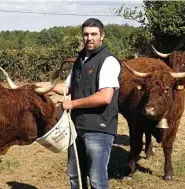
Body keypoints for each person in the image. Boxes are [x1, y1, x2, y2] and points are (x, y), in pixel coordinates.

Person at [52, 18, 121, 189]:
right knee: (76, 177)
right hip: (77, 128)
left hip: (99, 129)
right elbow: (67, 88)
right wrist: (44, 87)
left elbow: (105, 96)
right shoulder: (79, 61)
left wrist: (73, 104)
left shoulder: (108, 61)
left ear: (102, 36)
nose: (89, 38)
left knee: (97, 180)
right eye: (85, 34)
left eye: (93, 34)